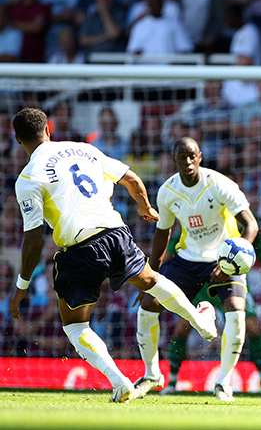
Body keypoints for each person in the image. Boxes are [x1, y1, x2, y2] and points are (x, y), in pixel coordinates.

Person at [9, 107, 217, 403]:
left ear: (17, 139)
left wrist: (21, 286)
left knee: (75, 326)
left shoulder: (28, 178)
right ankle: (200, 321)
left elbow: (33, 239)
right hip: (115, 232)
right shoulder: (83, 149)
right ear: (48, 130)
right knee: (151, 280)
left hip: (80, 247)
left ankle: (120, 382)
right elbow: (131, 179)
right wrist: (145, 208)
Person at [134, 137, 259, 402]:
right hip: (187, 260)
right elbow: (163, 232)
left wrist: (230, 264)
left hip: (224, 258)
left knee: (237, 312)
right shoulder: (167, 191)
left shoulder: (220, 184)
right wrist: (151, 272)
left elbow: (251, 226)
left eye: (192, 156)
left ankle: (224, 383)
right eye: (182, 157)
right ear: (174, 159)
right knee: (148, 305)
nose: (188, 162)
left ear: (200, 156)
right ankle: (152, 373)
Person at [158, 218, 261, 397]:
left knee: (252, 326)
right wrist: (159, 275)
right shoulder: (200, 208)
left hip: (232, 275)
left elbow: (259, 244)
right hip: (202, 278)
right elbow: (176, 241)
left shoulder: (243, 213)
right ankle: (172, 382)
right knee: (182, 327)